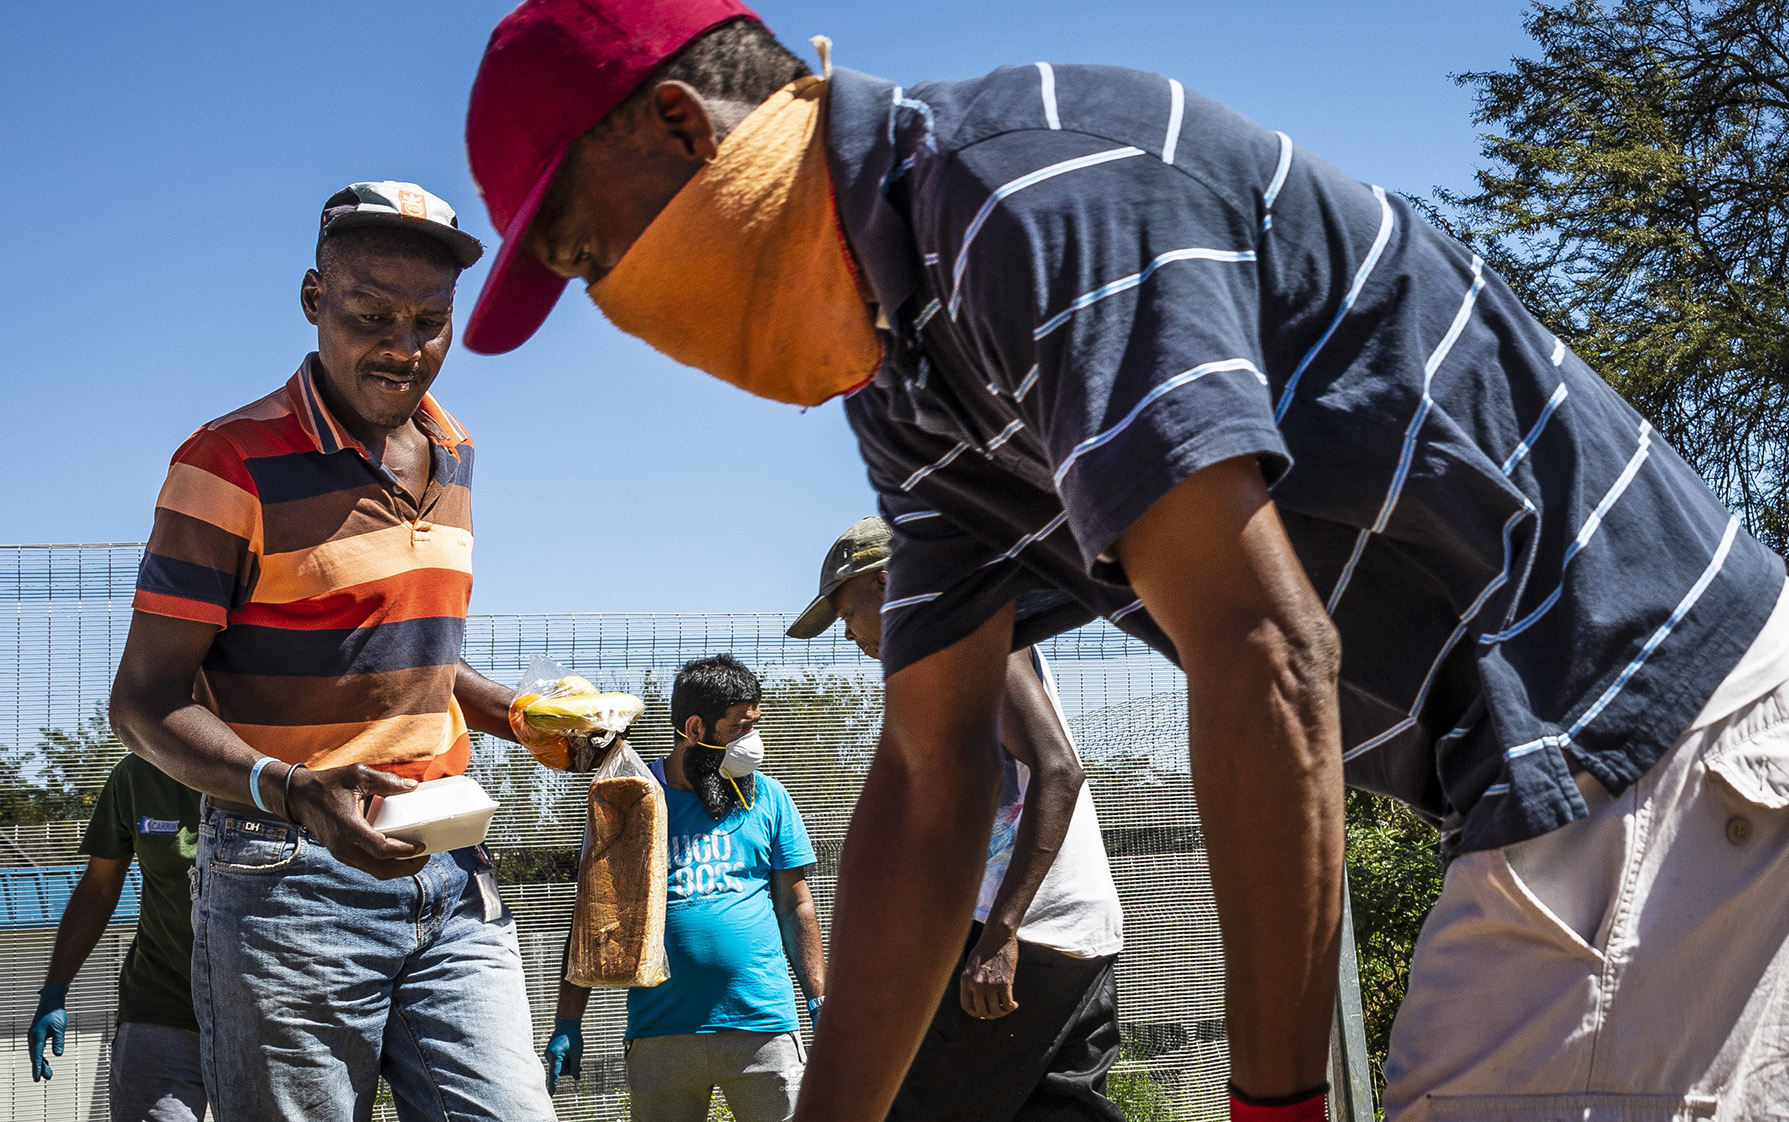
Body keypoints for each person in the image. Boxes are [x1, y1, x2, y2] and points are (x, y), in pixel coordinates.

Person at [461, 3, 1789, 1119]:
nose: (610, 307)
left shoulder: (1024, 194)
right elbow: (929, 777)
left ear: (684, 129)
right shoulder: (912, 382)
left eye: (588, 255)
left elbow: (1266, 651)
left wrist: (1273, 1106)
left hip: (1636, 707)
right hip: (1576, 761)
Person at [108, 181, 558, 1122]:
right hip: (286, 879)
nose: (403, 345)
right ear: (314, 299)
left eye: (429, 320)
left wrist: (523, 716)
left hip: (449, 865)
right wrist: (294, 789)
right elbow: (143, 701)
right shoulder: (225, 463)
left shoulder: (453, 449)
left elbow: (402, 659)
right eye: (371, 314)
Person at [789, 516, 1125, 1121]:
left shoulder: (966, 629)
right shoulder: (963, 642)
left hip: (1020, 931)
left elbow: (1059, 771)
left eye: (846, 612)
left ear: (886, 582)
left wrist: (999, 934)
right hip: (1077, 931)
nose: (847, 632)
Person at [543, 655, 825, 1122]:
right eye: (740, 727)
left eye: (754, 725)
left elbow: (797, 908)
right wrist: (568, 1019)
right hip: (660, 1033)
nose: (752, 741)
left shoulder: (768, 796)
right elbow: (593, 914)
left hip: (762, 1026)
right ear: (695, 728)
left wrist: (819, 998)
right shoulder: (628, 797)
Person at [25, 754, 207, 1121]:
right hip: (160, 1004)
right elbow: (98, 888)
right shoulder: (137, 773)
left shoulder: (283, 768)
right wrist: (54, 990)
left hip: (263, 1010)